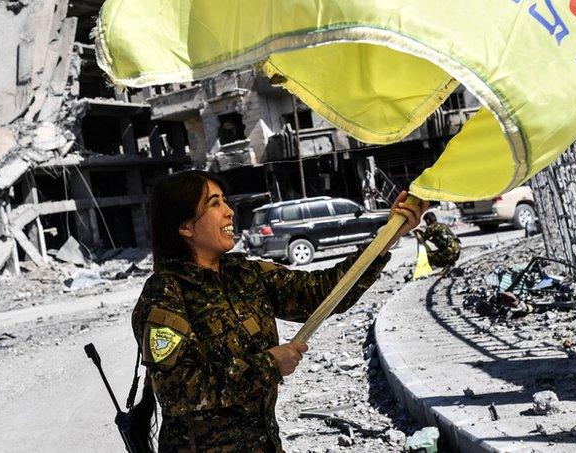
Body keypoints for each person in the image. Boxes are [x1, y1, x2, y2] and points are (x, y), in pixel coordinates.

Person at [131, 170, 426, 452]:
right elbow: (176, 392)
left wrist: (388, 235)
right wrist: (269, 364)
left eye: (225, 200)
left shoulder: (243, 273)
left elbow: (324, 292)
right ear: (185, 226)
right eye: (214, 203)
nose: (229, 211)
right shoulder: (166, 293)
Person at [414, 212, 462, 278]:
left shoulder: (431, 227)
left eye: (426, 221)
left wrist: (418, 233)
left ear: (428, 220)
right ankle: (448, 267)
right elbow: (441, 240)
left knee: (427, 255)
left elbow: (422, 240)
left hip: (448, 253)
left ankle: (424, 271)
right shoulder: (443, 225)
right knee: (443, 250)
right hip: (457, 252)